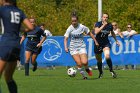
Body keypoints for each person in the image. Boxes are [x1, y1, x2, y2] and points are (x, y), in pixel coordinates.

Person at [0, 0, 33, 92]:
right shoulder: (19, 11)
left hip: (6, 43)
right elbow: (31, 27)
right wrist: (20, 28)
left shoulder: (2, 9)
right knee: (8, 77)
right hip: (16, 45)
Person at [64, 12, 99, 79]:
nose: (73, 22)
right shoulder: (69, 28)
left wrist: (95, 41)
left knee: (85, 62)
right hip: (73, 48)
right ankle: (84, 76)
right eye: (72, 21)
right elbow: (65, 39)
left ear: (77, 20)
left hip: (81, 47)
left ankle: (87, 69)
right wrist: (66, 47)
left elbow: (90, 34)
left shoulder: (82, 27)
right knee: (79, 64)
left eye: (75, 21)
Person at [94, 13, 120, 78]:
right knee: (99, 60)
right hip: (98, 44)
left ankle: (111, 70)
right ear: (102, 18)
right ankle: (100, 72)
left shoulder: (110, 25)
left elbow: (112, 32)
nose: (105, 18)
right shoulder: (98, 24)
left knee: (107, 56)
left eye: (106, 17)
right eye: (104, 17)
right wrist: (103, 26)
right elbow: (96, 32)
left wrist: (116, 40)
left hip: (106, 43)